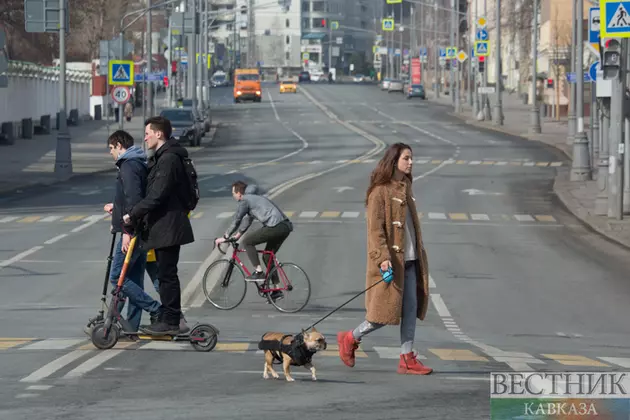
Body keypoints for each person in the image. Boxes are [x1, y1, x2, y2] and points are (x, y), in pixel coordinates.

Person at [336, 143, 433, 375]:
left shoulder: (405, 186)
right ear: (394, 161)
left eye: (411, 158)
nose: (411, 162)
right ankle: (350, 337)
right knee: (382, 314)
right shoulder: (379, 191)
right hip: (391, 262)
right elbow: (375, 231)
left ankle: (407, 358)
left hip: (410, 260)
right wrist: (382, 258)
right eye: (406, 158)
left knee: (410, 310)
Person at [123, 116, 194, 335]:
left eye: (147, 133)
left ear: (159, 134)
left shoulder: (169, 159)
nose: (144, 138)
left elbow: (157, 195)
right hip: (165, 224)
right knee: (165, 274)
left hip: (168, 225)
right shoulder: (163, 157)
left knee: (167, 275)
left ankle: (171, 322)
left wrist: (132, 214)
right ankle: (167, 318)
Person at [104, 130, 162, 334]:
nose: (110, 153)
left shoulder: (128, 166)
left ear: (119, 145)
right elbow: (130, 198)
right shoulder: (136, 163)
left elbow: (134, 200)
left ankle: (156, 309)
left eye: (111, 148)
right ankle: (132, 326)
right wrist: (116, 207)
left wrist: (127, 231)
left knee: (117, 277)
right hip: (139, 229)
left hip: (133, 231)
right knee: (135, 280)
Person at [214, 181, 292, 302]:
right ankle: (276, 290)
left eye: (233, 193)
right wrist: (237, 235)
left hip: (275, 226)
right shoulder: (254, 199)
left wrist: (225, 236)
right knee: (267, 256)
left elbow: (237, 219)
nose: (233, 196)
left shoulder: (245, 200)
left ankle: (258, 272)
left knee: (248, 242)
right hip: (285, 226)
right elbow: (247, 220)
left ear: (239, 193)